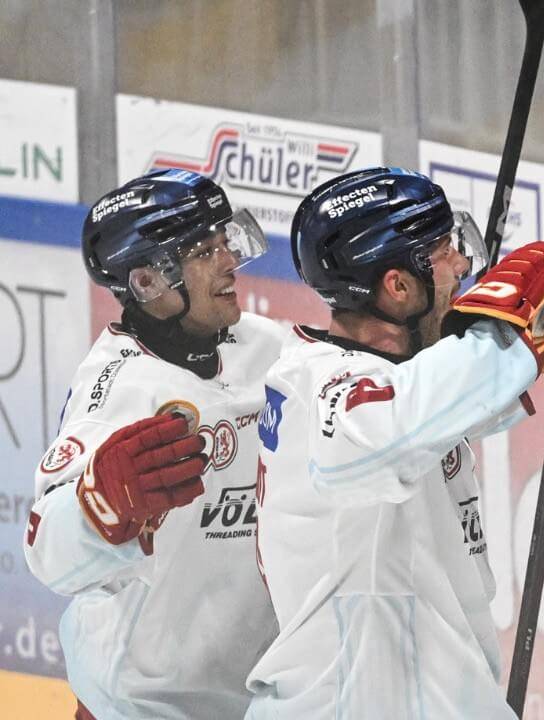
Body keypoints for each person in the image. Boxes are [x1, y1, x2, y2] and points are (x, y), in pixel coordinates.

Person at [243, 167, 544, 719]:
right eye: (445, 251)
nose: (464, 267)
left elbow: (437, 405)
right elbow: (391, 430)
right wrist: (524, 335)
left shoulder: (389, 378)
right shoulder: (321, 391)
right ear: (397, 287)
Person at [24, 169, 286, 719]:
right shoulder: (118, 390)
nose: (227, 262)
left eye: (225, 241)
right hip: (138, 708)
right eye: (203, 251)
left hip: (249, 702)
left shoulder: (264, 346)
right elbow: (46, 547)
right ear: (147, 282)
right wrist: (98, 506)